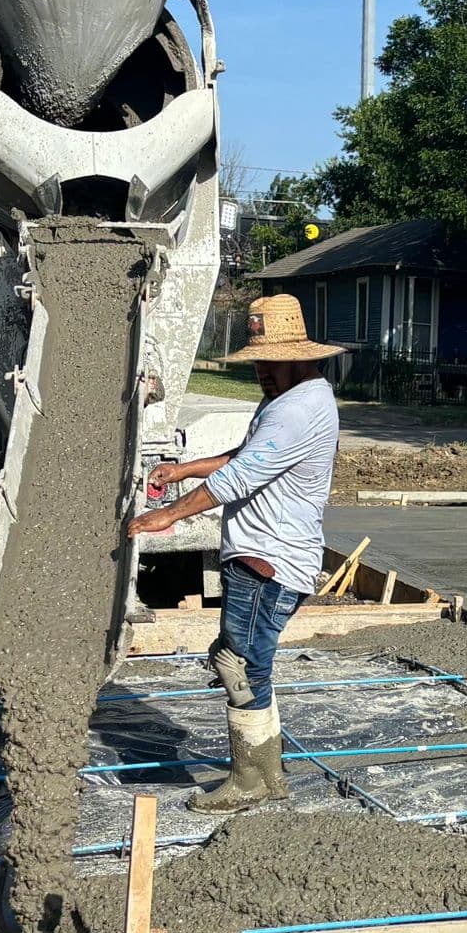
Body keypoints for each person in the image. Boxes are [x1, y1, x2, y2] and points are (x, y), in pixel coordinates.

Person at [128, 293, 343, 813]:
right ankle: (269, 774)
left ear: (299, 357)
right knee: (247, 662)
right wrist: (183, 469)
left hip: (269, 560)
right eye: (258, 361)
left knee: (240, 665)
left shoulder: (299, 409)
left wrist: (169, 514)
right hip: (261, 555)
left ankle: (250, 778)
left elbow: (241, 477)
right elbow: (246, 455)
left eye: (270, 361)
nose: (261, 371)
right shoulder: (289, 398)